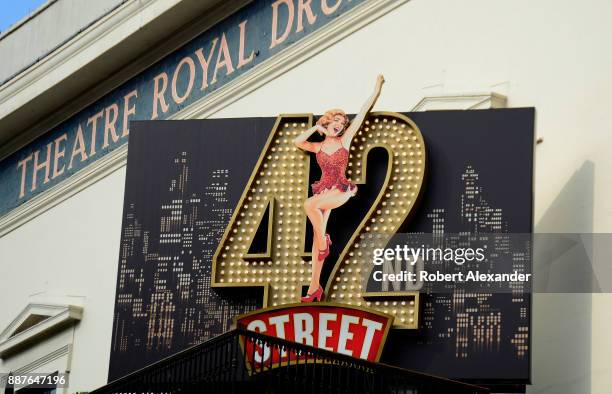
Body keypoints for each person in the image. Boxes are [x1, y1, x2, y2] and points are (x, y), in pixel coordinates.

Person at [293, 74, 385, 302]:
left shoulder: (346, 141)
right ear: (328, 122)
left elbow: (363, 113)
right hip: (324, 189)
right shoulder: (318, 146)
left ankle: (324, 242)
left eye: (343, 123)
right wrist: (315, 127)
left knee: (308, 205)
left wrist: (376, 89)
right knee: (315, 238)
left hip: (340, 189)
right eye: (337, 121)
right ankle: (314, 287)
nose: (340, 125)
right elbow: (297, 142)